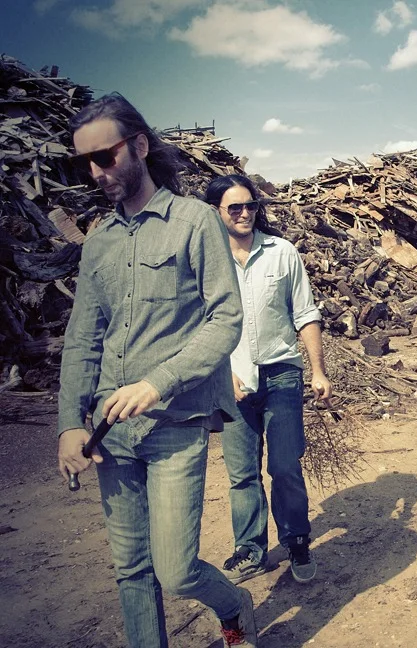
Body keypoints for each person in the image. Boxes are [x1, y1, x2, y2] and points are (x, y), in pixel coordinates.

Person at [56, 94, 257, 648]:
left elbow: (225, 320)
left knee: (174, 570)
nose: (98, 172)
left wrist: (156, 382)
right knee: (131, 571)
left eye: (107, 156)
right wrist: (70, 424)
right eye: (87, 163)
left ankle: (235, 602)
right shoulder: (98, 242)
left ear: (140, 146)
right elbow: (82, 340)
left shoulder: (194, 223)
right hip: (109, 432)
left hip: (175, 423)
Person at [204, 174, 331, 585]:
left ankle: (296, 540)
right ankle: (251, 549)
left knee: (284, 466)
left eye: (251, 206)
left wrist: (318, 370)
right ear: (216, 212)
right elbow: (197, 327)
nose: (245, 214)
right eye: (234, 208)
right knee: (242, 473)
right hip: (232, 380)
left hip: (281, 376)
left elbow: (305, 313)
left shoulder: (282, 252)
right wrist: (222, 375)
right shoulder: (205, 261)